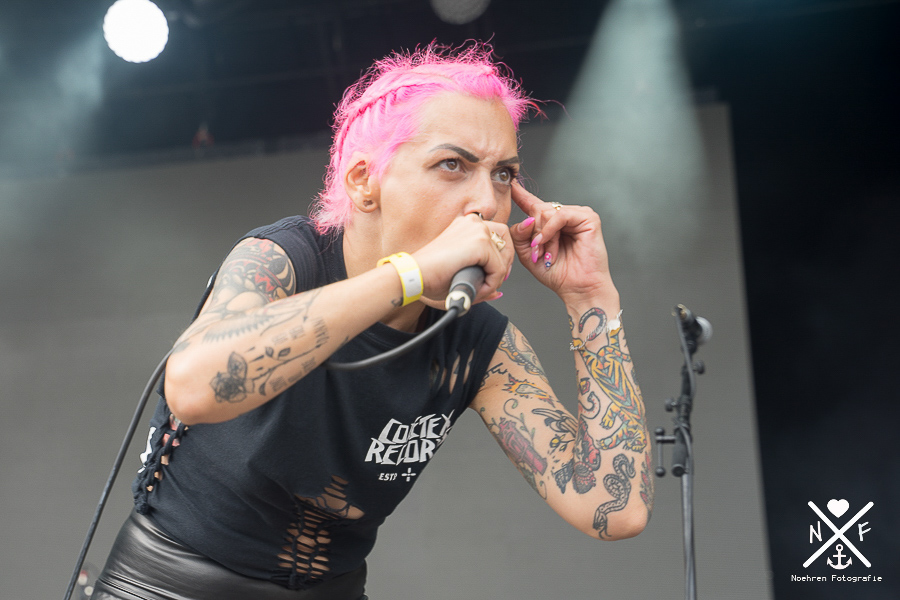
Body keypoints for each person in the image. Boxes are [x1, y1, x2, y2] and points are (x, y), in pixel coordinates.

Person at [91, 42, 653, 600]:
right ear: (364, 181)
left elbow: (614, 507)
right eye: (452, 165)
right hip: (171, 586)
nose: (486, 201)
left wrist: (591, 299)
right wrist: (409, 275)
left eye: (503, 174)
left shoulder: (478, 343)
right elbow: (194, 385)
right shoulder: (284, 259)